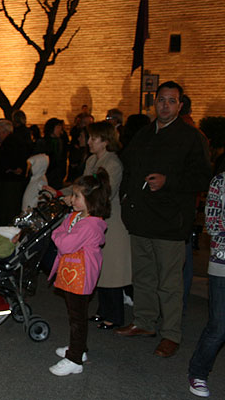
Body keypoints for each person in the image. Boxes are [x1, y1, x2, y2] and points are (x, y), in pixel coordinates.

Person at [115, 81, 212, 358]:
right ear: (154, 102)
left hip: (170, 222)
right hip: (140, 219)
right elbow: (128, 169)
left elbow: (203, 177)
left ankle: (171, 334)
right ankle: (144, 322)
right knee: (143, 277)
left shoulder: (191, 137)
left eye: (171, 100)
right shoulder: (144, 133)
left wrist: (169, 182)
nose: (165, 105)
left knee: (169, 283)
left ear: (180, 105)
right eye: (161, 100)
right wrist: (125, 201)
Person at [45, 122, 131, 329]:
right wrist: (61, 193)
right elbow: (81, 186)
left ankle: (115, 315)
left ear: (106, 140)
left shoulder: (113, 163)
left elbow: (100, 194)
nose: (89, 142)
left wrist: (74, 199)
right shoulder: (93, 160)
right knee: (95, 268)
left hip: (108, 220)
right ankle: (103, 311)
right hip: (90, 217)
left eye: (93, 138)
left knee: (111, 271)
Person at [48, 169, 111, 376]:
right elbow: (64, 230)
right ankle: (79, 349)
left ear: (90, 200)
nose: (72, 199)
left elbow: (64, 242)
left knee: (77, 317)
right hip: (72, 274)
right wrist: (63, 232)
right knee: (75, 314)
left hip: (81, 276)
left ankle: (74, 358)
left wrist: (60, 233)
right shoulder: (77, 217)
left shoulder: (90, 225)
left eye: (77, 196)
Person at [187, 172, 225, 398]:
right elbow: (212, 223)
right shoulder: (220, 181)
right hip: (222, 262)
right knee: (219, 326)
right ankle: (198, 372)